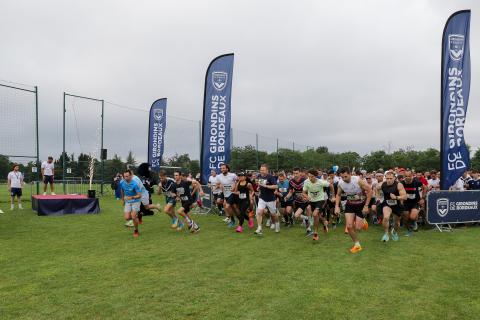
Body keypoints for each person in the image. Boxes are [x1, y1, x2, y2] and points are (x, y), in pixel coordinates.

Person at [335, 167, 372, 254]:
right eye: (342, 177)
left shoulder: (358, 181)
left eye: (346, 176)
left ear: (350, 174)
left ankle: (363, 221)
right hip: (350, 204)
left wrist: (366, 206)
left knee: (358, 228)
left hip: (360, 205)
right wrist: (337, 206)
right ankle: (357, 245)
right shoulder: (341, 183)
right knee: (349, 226)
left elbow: (370, 191)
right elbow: (338, 194)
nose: (344, 179)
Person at [303, 169, 331, 241]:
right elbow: (303, 192)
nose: (310, 178)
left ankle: (315, 234)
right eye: (309, 176)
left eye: (312, 177)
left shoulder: (321, 182)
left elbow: (331, 185)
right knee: (317, 215)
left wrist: (333, 195)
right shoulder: (306, 182)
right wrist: (306, 197)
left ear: (316, 176)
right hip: (311, 201)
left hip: (320, 200)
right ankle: (325, 223)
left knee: (315, 214)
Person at [380, 171, 407, 242]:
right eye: (387, 178)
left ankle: (394, 232)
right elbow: (376, 188)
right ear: (385, 178)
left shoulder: (399, 185)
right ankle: (386, 234)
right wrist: (378, 197)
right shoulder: (383, 184)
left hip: (397, 205)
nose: (389, 180)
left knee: (396, 222)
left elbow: (405, 197)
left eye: (390, 178)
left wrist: (396, 197)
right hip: (387, 204)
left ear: (394, 178)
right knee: (386, 217)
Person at [254, 164, 279, 235]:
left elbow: (276, 186)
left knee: (273, 214)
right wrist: (259, 188)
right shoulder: (259, 176)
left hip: (271, 199)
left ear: (267, 170)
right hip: (262, 198)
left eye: (263, 170)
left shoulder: (271, 177)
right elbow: (260, 184)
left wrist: (266, 186)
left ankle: (276, 224)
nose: (261, 171)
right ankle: (259, 228)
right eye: (261, 170)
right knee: (259, 212)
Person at [285, 167, 311, 235]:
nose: (295, 174)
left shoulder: (305, 181)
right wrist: (287, 197)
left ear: (300, 173)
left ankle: (309, 229)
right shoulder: (291, 181)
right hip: (297, 201)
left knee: (299, 213)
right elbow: (291, 192)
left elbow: (309, 190)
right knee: (296, 216)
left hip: (304, 201)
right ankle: (307, 220)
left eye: (297, 173)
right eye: (294, 173)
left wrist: (306, 197)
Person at [402, 170, 426, 235]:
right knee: (406, 217)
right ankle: (409, 229)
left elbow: (424, 187)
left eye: (409, 176)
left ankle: (414, 222)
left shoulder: (416, 182)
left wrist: (423, 198)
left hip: (415, 202)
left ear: (412, 176)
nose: (407, 177)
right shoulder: (402, 183)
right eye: (406, 176)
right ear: (404, 176)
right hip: (406, 202)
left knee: (412, 217)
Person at [119, 170, 142, 237]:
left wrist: (132, 197)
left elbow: (139, 195)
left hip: (136, 201)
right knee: (127, 218)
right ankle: (138, 216)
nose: (125, 178)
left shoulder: (135, 184)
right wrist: (123, 199)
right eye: (124, 176)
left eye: (127, 176)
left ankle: (136, 230)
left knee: (133, 216)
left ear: (131, 176)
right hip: (127, 202)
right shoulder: (122, 182)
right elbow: (122, 190)